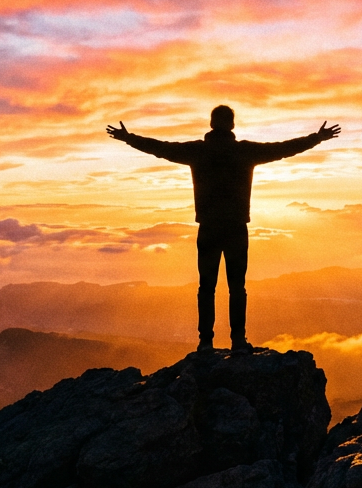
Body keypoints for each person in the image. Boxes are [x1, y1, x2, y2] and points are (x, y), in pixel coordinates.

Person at [107, 106, 340, 354]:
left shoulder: (197, 151)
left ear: (211, 124)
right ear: (232, 125)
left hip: (208, 228)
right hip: (236, 228)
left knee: (206, 287)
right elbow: (282, 149)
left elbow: (161, 148)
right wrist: (316, 138)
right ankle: (238, 340)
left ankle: (205, 342)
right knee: (237, 287)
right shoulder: (245, 152)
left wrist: (129, 138)